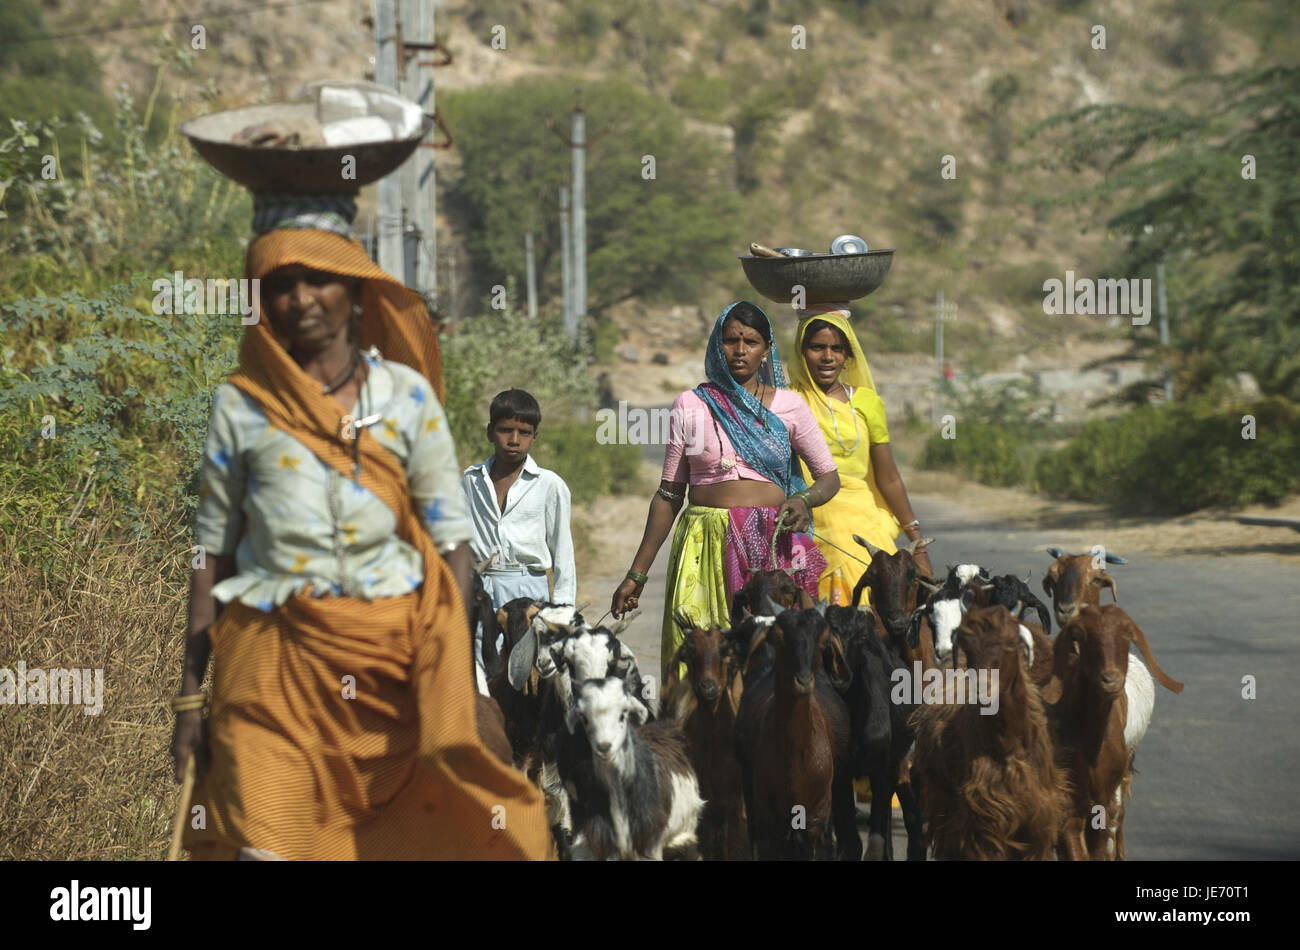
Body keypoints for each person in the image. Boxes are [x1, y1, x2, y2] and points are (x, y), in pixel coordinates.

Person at [170, 196, 550, 860]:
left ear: (354, 290)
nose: (300, 299)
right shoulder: (242, 404)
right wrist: (187, 696)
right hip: (266, 668)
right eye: (280, 284)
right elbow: (213, 551)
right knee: (265, 846)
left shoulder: (404, 400)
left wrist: (449, 663)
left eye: (319, 279)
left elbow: (451, 543)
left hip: (387, 671)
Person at [609, 301, 841, 681]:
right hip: (703, 543)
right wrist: (636, 574)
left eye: (750, 341)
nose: (739, 350)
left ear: (767, 349)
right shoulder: (691, 404)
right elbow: (669, 495)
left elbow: (829, 477)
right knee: (703, 655)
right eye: (731, 340)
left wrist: (804, 499)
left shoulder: (789, 406)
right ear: (718, 345)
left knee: (771, 656)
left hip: (769, 544)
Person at [787, 307, 934, 605]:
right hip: (810, 519)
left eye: (836, 349)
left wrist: (918, 546)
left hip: (864, 521)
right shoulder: (787, 400)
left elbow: (889, 477)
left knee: (888, 611)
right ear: (802, 353)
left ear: (847, 357)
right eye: (817, 347)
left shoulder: (867, 402)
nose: (827, 356)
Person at [461, 389, 577, 687]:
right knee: (480, 670)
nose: (514, 440)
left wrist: (562, 611)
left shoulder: (549, 485)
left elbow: (563, 550)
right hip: (483, 590)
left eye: (524, 432)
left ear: (534, 436)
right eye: (505, 430)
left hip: (530, 589)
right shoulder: (470, 481)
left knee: (528, 677)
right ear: (490, 432)